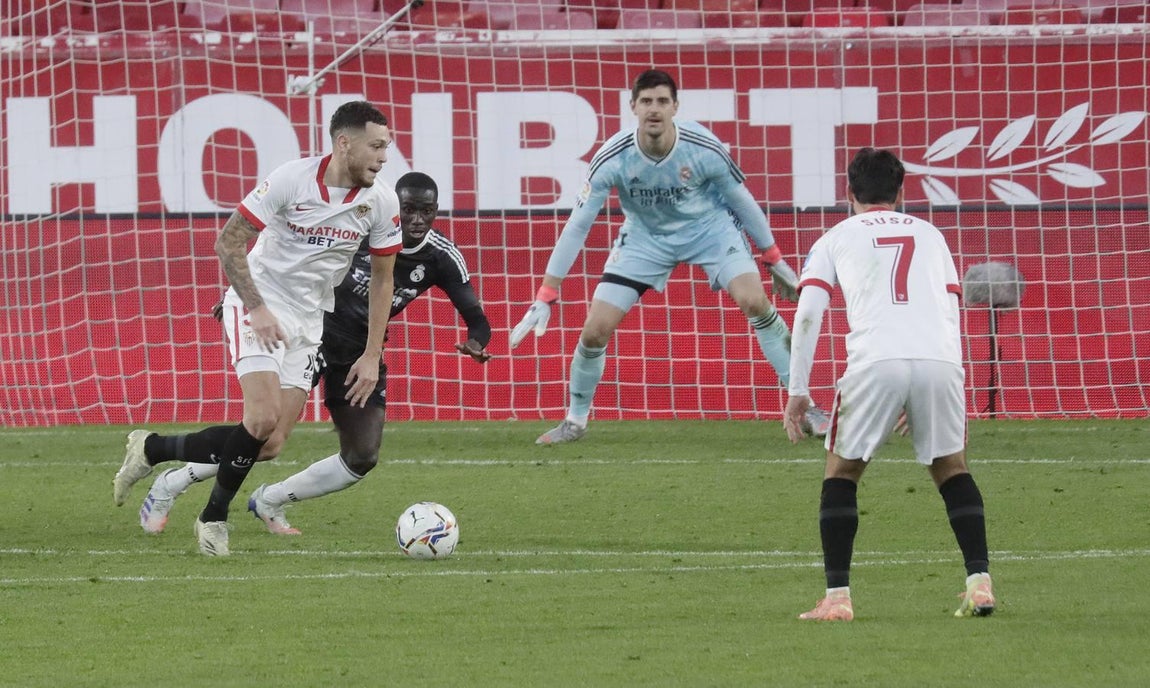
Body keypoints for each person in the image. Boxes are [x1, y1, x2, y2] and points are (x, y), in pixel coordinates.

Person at [126, 172, 491, 538]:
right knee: (265, 441)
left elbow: (477, 319)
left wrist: (476, 342)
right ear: (395, 208)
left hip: (361, 352)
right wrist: (243, 296)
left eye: (425, 210)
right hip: (312, 332)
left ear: (436, 211)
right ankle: (171, 483)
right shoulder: (362, 227)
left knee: (362, 456)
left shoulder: (442, 256)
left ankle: (271, 499)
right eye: (408, 209)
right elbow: (289, 261)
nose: (416, 218)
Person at [112, 101, 403, 556]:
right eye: (377, 145)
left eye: (387, 147)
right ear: (344, 143)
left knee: (269, 444)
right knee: (261, 416)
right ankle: (213, 518)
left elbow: (384, 279)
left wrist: (372, 354)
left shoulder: (380, 200)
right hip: (258, 304)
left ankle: (153, 449)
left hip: (309, 321)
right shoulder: (291, 179)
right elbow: (227, 242)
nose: (384, 157)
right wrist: (257, 307)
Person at [510, 69, 827, 444]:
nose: (654, 109)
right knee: (595, 330)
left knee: (755, 302)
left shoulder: (703, 147)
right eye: (646, 101)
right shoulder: (613, 157)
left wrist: (772, 258)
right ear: (633, 107)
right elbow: (578, 225)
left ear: (675, 106)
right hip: (646, 239)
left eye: (662, 101)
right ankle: (574, 422)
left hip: (710, 230)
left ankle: (806, 407)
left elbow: (741, 200)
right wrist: (547, 292)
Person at [783, 147, 994, 621]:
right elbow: (951, 310)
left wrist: (798, 389)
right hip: (939, 360)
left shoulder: (835, 237)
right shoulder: (933, 235)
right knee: (952, 468)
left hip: (875, 361)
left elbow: (809, 313)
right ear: (902, 192)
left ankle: (837, 599)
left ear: (849, 192)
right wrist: (935, 379)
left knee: (842, 474)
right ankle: (980, 584)